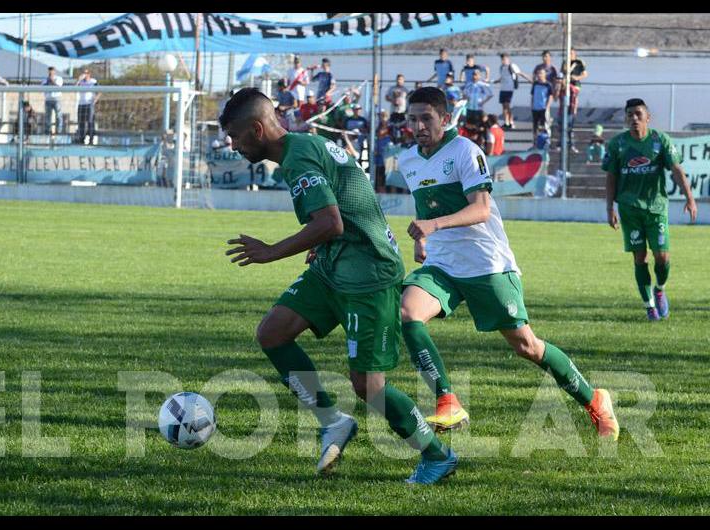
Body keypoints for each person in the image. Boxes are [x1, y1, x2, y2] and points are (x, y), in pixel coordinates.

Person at [220, 87, 458, 485]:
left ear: (257, 130)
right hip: (334, 264)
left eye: (236, 137)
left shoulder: (298, 159)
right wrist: (324, 244)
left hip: (368, 275)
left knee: (368, 385)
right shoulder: (303, 146)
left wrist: (271, 251)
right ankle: (333, 421)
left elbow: (331, 221)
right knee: (273, 334)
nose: (233, 145)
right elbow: (342, 209)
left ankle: (437, 454)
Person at [397, 86, 619, 441]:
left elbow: (481, 208)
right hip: (443, 265)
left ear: (443, 117)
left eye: (426, 118)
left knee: (527, 347)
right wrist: (424, 239)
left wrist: (433, 225)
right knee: (408, 314)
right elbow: (428, 207)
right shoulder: (408, 160)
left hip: (487, 265)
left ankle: (595, 400)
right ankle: (447, 400)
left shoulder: (465, 151)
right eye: (412, 119)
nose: (419, 125)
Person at [602, 98, 698, 321]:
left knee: (662, 257)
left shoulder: (659, 140)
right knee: (640, 257)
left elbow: (676, 169)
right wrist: (610, 207)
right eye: (629, 115)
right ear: (626, 119)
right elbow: (611, 176)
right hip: (629, 209)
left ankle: (660, 288)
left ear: (647, 117)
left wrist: (690, 199)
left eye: (638, 114)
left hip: (656, 208)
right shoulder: (617, 144)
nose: (634, 118)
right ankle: (649, 306)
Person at [494, 53, 532, 130]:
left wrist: (530, 79)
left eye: (504, 59)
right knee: (503, 106)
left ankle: (511, 121)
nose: (503, 61)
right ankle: (506, 122)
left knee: (507, 105)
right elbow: (502, 77)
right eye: (502, 59)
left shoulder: (512, 66)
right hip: (503, 89)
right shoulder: (502, 67)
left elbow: (520, 73)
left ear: (508, 59)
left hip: (509, 89)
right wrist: (496, 81)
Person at [554, 73, 578, 153]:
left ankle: (572, 145)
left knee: (570, 129)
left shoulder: (570, 88)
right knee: (561, 129)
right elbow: (555, 99)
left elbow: (575, 98)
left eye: (560, 79)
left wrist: (575, 109)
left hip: (570, 111)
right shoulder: (559, 88)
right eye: (557, 79)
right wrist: (557, 89)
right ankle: (559, 145)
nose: (559, 81)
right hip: (561, 111)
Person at [76, 68, 100, 145]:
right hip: (81, 104)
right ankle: (81, 138)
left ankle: (91, 138)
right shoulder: (81, 82)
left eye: (86, 73)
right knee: (81, 122)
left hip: (89, 104)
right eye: (84, 73)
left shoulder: (93, 81)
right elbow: (75, 87)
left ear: (89, 74)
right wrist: (79, 80)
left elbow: (99, 91)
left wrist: (95, 100)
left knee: (90, 121)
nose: (85, 74)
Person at [530, 68, 554, 145]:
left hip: (543, 108)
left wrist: (547, 107)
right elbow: (533, 95)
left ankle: (546, 141)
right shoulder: (535, 84)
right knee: (535, 126)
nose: (539, 75)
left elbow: (550, 96)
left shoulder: (548, 85)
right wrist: (532, 105)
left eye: (541, 73)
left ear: (545, 74)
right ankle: (535, 142)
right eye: (538, 73)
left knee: (544, 126)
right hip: (535, 108)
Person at [563, 48, 588, 115]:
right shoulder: (565, 62)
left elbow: (585, 74)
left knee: (573, 96)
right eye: (569, 53)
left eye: (572, 53)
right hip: (567, 83)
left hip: (576, 84)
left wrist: (577, 78)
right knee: (564, 97)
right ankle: (565, 113)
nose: (570, 55)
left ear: (575, 54)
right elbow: (562, 73)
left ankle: (573, 112)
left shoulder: (579, 62)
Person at [41, 66, 64, 135]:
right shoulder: (45, 79)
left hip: (56, 99)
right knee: (48, 116)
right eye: (49, 71)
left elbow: (58, 87)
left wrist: (52, 80)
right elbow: (43, 87)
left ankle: (59, 131)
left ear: (54, 71)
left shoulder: (59, 78)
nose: (51, 72)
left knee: (58, 116)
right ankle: (48, 131)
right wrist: (48, 81)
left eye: (52, 70)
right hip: (48, 99)